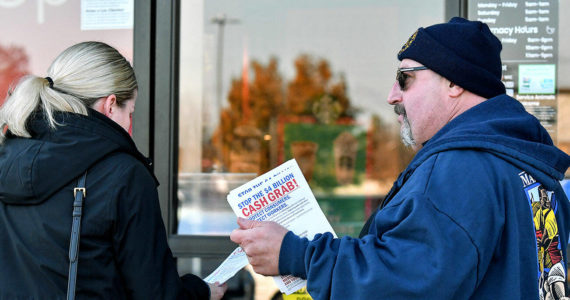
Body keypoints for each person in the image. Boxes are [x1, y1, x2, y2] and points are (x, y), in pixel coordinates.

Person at [230, 17, 570, 299]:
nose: (392, 96)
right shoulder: (528, 166)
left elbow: (401, 284)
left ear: (454, 82)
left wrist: (296, 255)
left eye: (404, 79)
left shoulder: (461, 167)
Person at [0, 41, 226, 300]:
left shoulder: (6, 159)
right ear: (110, 104)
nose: (130, 123)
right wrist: (202, 292)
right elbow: (156, 294)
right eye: (130, 112)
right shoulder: (124, 175)